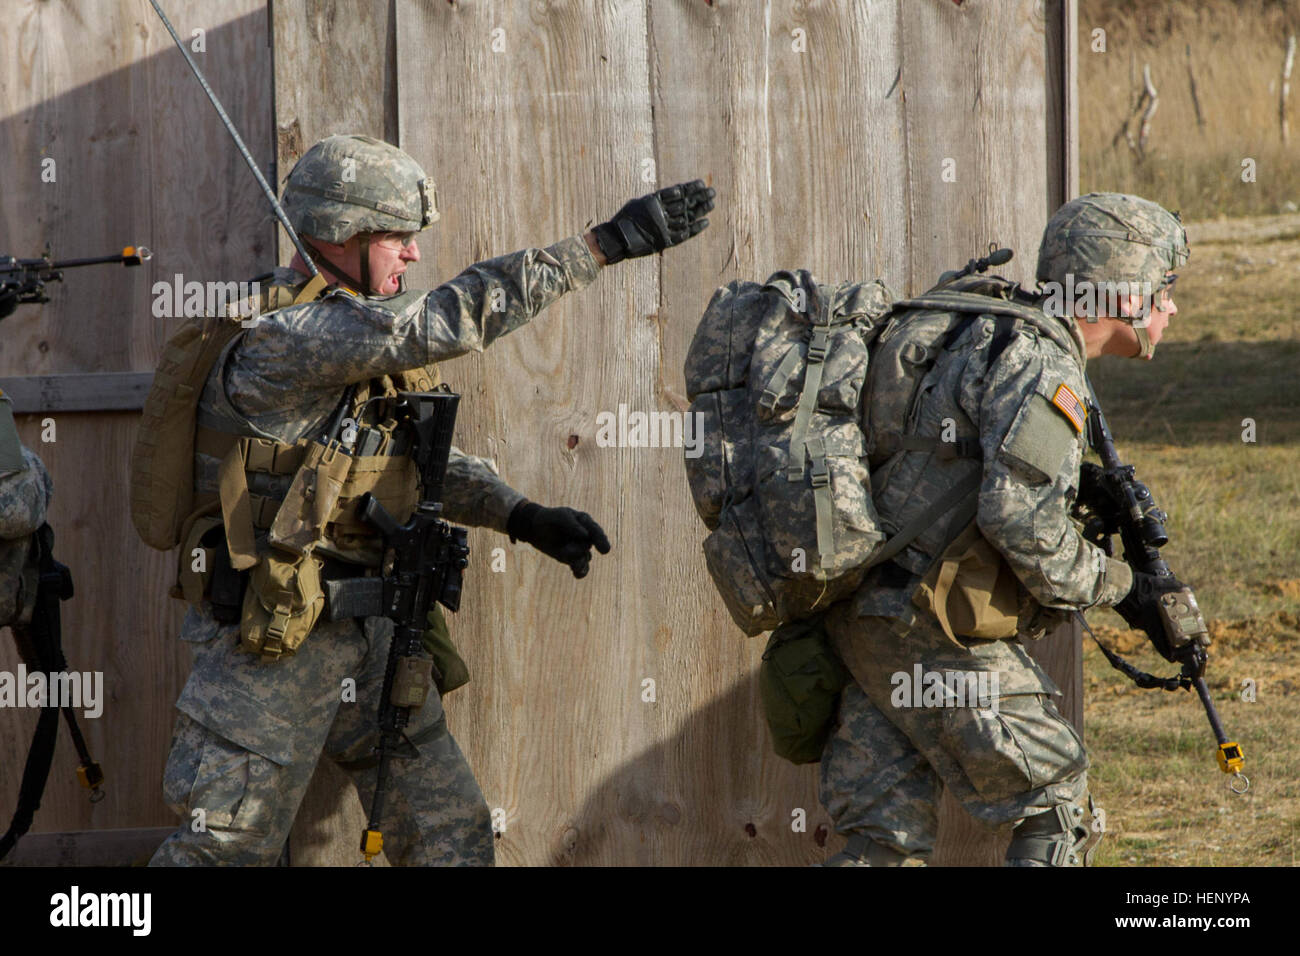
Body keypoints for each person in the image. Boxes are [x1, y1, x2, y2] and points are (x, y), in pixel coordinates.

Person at [147, 134, 713, 866]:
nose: (413, 255)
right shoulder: (288, 338)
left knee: (452, 837)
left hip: (374, 638)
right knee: (219, 855)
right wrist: (603, 245)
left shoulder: (358, 336)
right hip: (270, 647)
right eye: (397, 237)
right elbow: (449, 317)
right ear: (339, 235)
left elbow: (405, 461)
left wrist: (521, 515)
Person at [818, 192, 1189, 866]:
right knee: (1054, 802)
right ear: (1124, 291)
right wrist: (1122, 587)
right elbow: (1019, 522)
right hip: (927, 625)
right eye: (1163, 288)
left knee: (881, 839)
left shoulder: (979, 325)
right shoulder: (1044, 367)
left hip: (865, 615)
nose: (1171, 308)